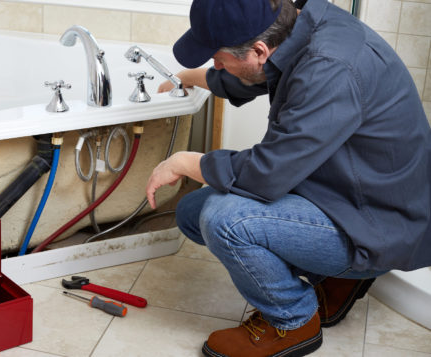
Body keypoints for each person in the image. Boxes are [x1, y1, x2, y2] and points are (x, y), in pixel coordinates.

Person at [146, 0, 431, 356]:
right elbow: (257, 75)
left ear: (259, 49)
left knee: (224, 221)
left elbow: (266, 173)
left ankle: (292, 321)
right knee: (193, 213)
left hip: (377, 223)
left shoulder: (330, 68)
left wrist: (185, 162)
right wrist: (189, 78)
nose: (215, 64)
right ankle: (336, 276)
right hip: (345, 192)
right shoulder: (302, 24)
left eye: (218, 58)